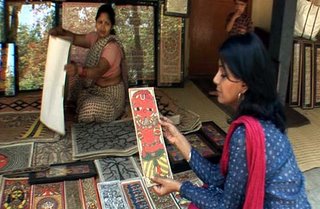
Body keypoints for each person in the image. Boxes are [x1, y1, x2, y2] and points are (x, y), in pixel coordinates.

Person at [152, 33, 311, 209]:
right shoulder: (266, 115)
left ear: (244, 84)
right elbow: (217, 177)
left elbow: (226, 206)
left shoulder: (245, 134)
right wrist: (179, 139)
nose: (215, 79)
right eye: (219, 70)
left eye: (224, 74)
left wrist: (180, 187)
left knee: (201, 201)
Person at [49, 4, 128, 123]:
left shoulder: (112, 47)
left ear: (111, 26)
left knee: (88, 109)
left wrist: (78, 70)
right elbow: (74, 38)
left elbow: (98, 70)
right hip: (94, 89)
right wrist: (60, 31)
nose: (102, 27)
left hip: (111, 97)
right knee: (73, 80)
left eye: (107, 23)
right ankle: (79, 103)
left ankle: (86, 107)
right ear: (95, 22)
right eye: (100, 22)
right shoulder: (94, 37)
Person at [209, 0, 253, 96]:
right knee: (223, 66)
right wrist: (234, 18)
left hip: (241, 47)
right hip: (230, 45)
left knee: (238, 69)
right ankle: (220, 89)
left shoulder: (247, 19)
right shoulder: (231, 16)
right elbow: (227, 29)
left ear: (245, 6)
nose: (239, 7)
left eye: (241, 5)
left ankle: (237, 91)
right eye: (237, 4)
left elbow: (251, 36)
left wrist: (245, 33)